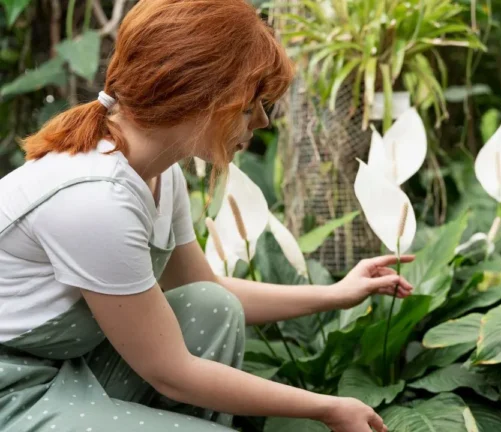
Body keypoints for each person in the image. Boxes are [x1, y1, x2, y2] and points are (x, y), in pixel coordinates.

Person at [0, 1, 415, 431]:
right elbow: (172, 373)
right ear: (200, 92)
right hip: (11, 390)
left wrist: (337, 294)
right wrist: (328, 407)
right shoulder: (93, 200)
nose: (263, 120)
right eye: (252, 102)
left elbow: (206, 288)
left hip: (64, 369)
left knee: (210, 306)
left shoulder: (158, 173)